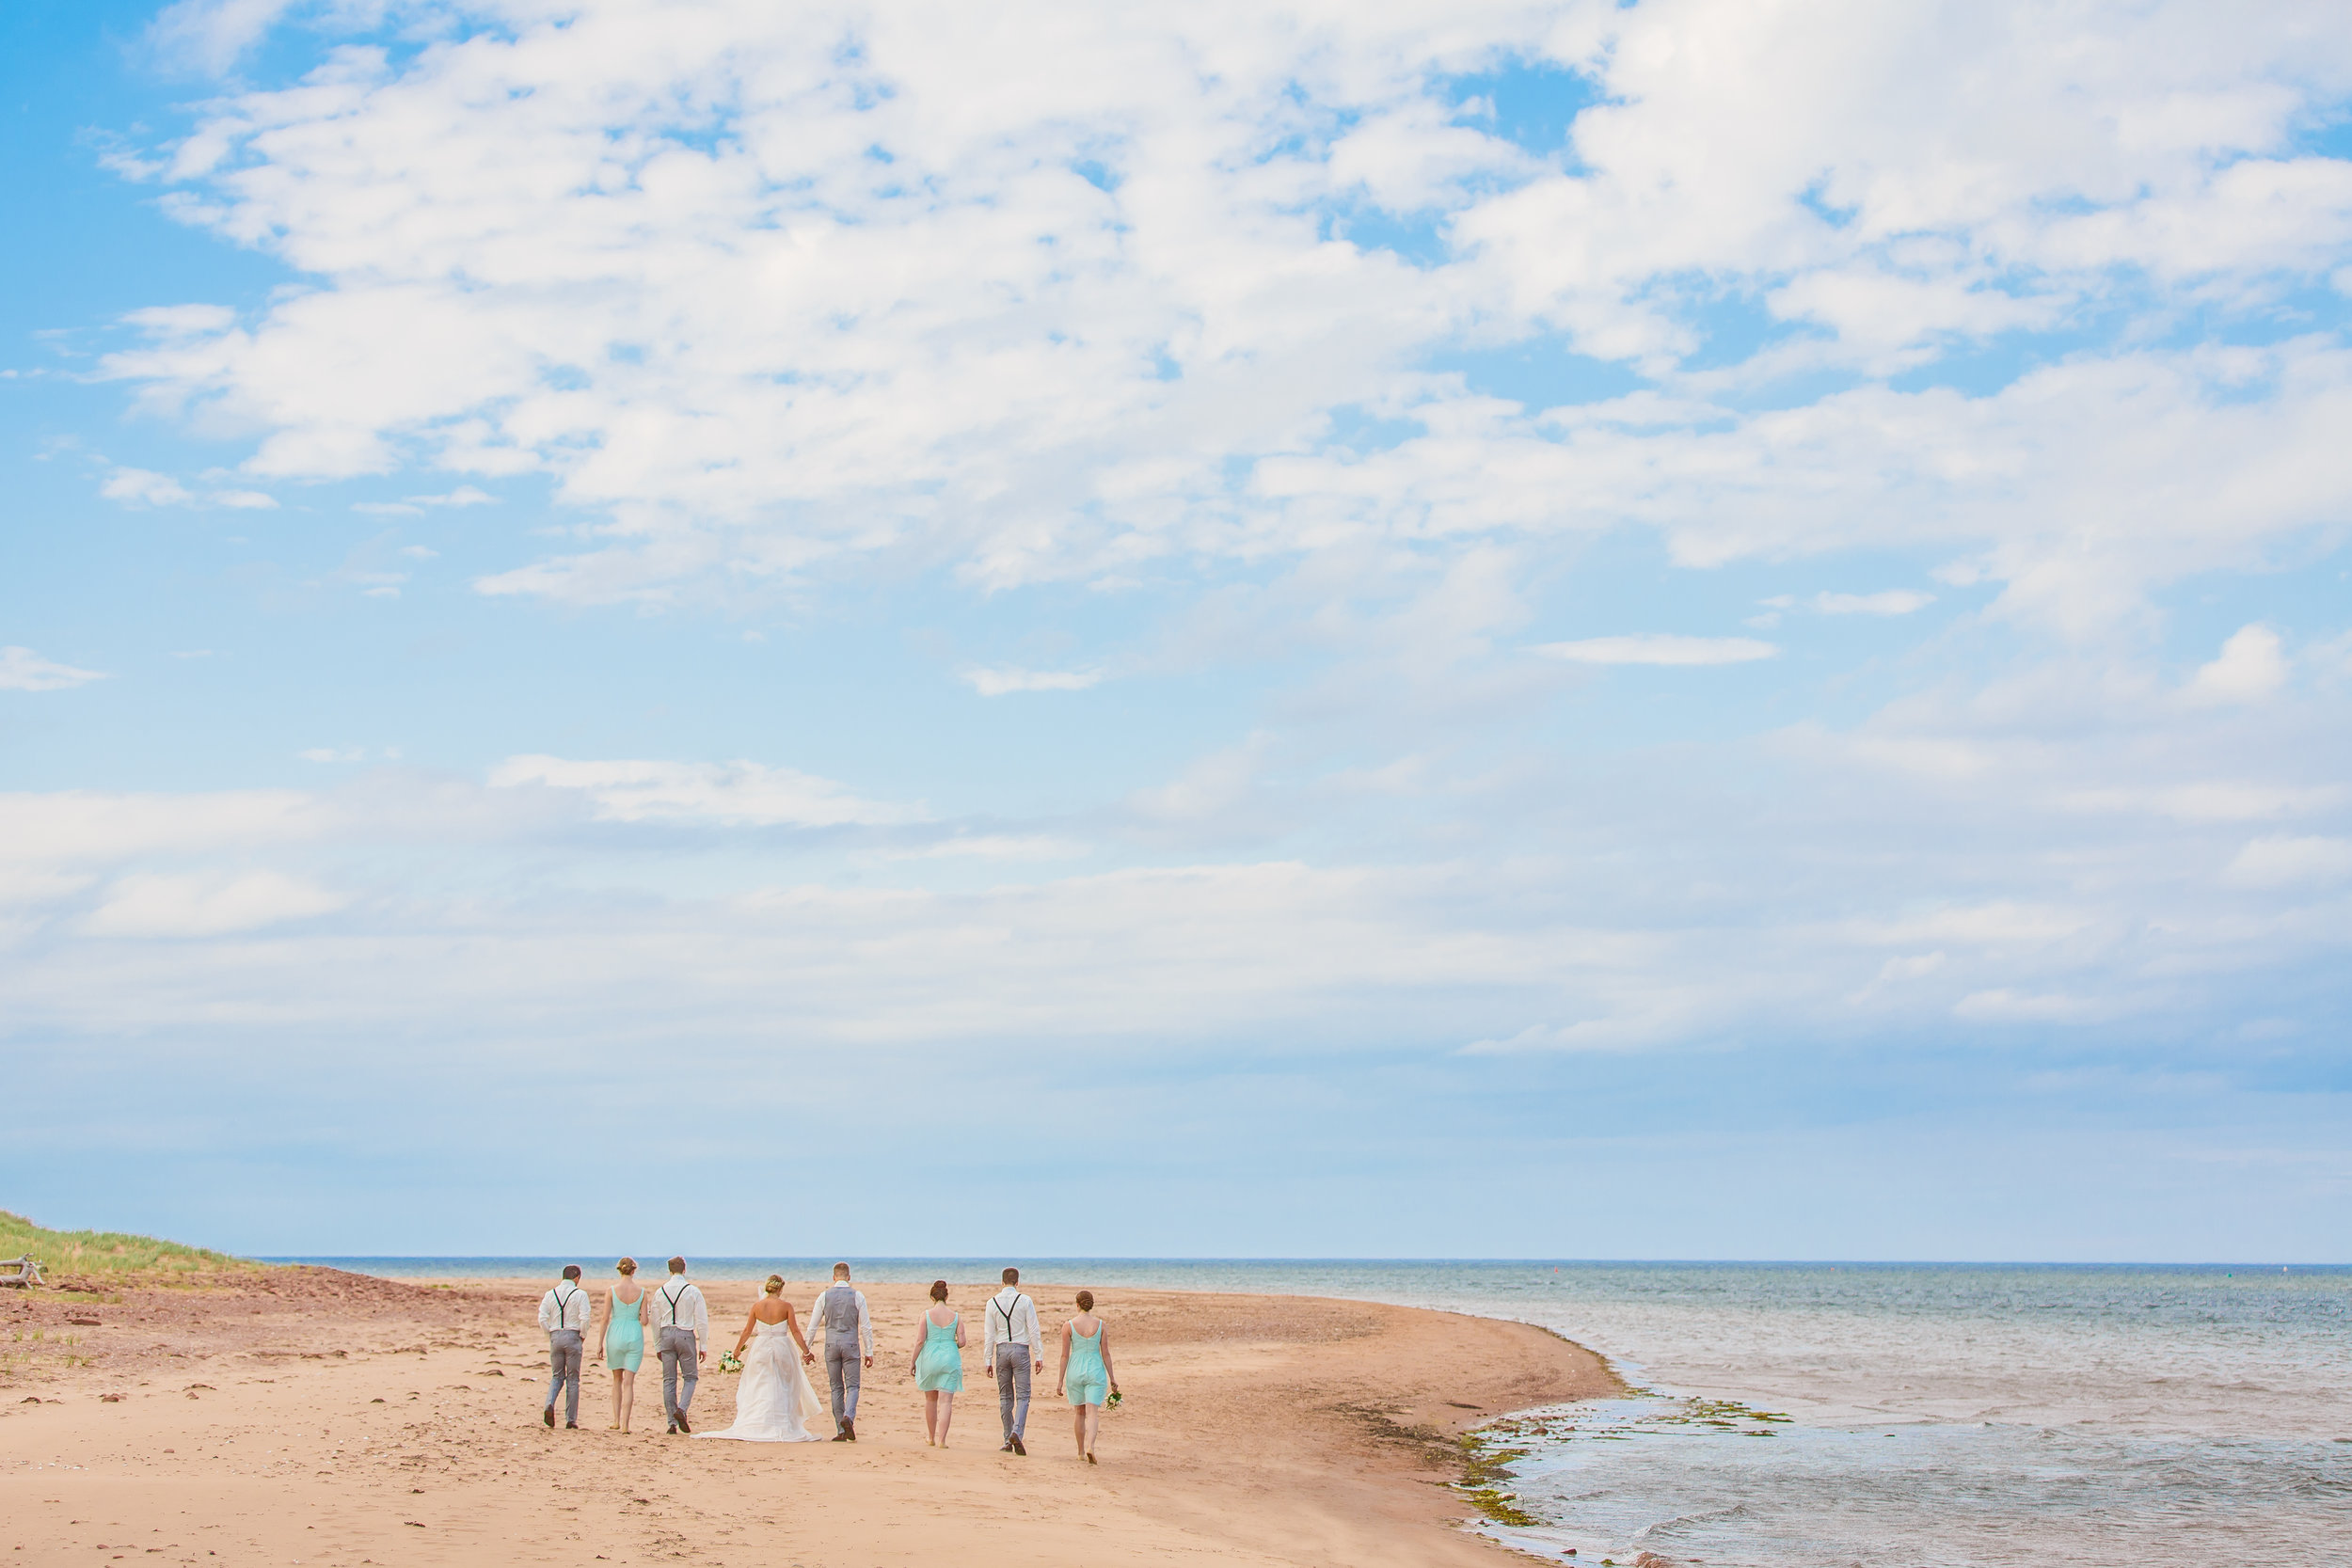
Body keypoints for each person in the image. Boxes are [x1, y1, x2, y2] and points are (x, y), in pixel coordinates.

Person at [696, 1274, 825, 1443]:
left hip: (761, 1348)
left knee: (761, 1383)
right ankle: (781, 1423)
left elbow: (747, 1331)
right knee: (784, 1384)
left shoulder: (757, 1306)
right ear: (780, 1289)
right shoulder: (786, 1306)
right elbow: (795, 1331)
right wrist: (806, 1351)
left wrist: (737, 1351)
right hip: (782, 1347)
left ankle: (761, 1421)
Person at [982, 1266, 1045, 1455]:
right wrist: (1039, 1354)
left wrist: (988, 1359)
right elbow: (1033, 1329)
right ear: (1017, 1283)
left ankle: (1007, 1438)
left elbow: (989, 1334)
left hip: (1001, 1350)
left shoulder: (992, 1302)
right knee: (1023, 1396)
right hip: (1021, 1350)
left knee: (1005, 1397)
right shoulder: (1025, 1300)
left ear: (1002, 1282)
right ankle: (1016, 1432)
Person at [809, 1262, 873, 1441]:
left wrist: (807, 1349)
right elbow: (866, 1327)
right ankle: (848, 1417)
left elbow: (813, 1326)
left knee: (836, 1387)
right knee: (853, 1386)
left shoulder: (824, 1296)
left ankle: (841, 1430)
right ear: (849, 1277)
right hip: (851, 1344)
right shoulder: (857, 1296)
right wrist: (869, 1351)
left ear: (834, 1277)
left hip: (831, 1345)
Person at [1057, 1289, 1120, 1464]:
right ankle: (1091, 1445)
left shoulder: (1068, 1326)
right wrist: (1112, 1378)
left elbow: (1064, 1355)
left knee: (1079, 1412)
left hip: (1075, 1370)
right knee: (1092, 1412)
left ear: (1077, 1305)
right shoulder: (1101, 1325)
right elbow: (1105, 1353)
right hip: (1095, 1369)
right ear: (1091, 1305)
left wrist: (1060, 1381)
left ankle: (1080, 1452)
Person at [652, 1257, 709, 1434]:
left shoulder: (660, 1291)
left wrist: (657, 1344)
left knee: (669, 1380)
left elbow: (655, 1320)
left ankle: (671, 1422)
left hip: (666, 1333)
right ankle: (682, 1409)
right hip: (685, 1334)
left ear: (669, 1271)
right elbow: (702, 1320)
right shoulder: (692, 1291)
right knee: (690, 1377)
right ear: (684, 1270)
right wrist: (703, 1344)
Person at [908, 1278, 967, 1447]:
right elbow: (962, 1341)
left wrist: (913, 1361)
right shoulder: (956, 1316)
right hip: (949, 1357)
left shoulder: (926, 1315)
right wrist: (951, 1344)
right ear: (946, 1297)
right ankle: (943, 1440)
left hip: (930, 1358)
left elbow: (920, 1340)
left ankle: (931, 1437)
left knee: (931, 1400)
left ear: (932, 1298)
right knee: (946, 1401)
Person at [537, 1264, 594, 1430]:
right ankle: (570, 1419)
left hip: (555, 1336)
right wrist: (583, 1335)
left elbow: (542, 1318)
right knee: (573, 1379)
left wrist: (550, 1335)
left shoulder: (550, 1294)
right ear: (576, 1277)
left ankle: (549, 1403)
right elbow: (585, 1318)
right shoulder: (580, 1294)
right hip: (573, 1335)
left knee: (557, 1376)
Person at [598, 1257, 651, 1433]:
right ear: (634, 1271)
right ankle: (626, 1425)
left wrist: (600, 1343)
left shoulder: (611, 1290)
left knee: (616, 1380)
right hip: (634, 1334)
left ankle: (616, 1420)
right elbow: (644, 1320)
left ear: (619, 1270)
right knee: (629, 1383)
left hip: (616, 1334)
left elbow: (605, 1318)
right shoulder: (642, 1292)